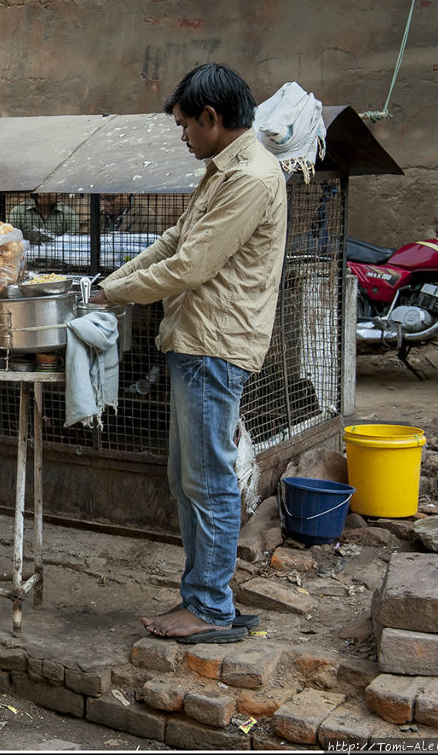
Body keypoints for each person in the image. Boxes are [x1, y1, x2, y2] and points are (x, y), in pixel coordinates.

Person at [90, 63, 287, 644]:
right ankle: (202, 595)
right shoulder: (221, 170)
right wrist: (109, 284)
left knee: (209, 482)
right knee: (187, 479)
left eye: (184, 126)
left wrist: (115, 293)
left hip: (214, 346)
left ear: (212, 117)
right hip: (193, 342)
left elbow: (191, 266)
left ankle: (210, 607)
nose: (182, 137)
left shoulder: (250, 177)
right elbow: (174, 240)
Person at [8, 193, 80, 245]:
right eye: (56, 189)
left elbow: (74, 240)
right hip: (27, 260)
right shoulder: (18, 211)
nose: (60, 192)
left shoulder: (67, 212)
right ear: (40, 193)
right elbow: (12, 242)